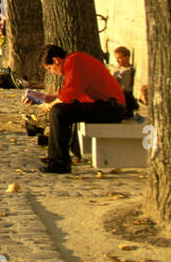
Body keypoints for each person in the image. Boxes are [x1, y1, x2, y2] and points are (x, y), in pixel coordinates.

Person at [35, 45, 126, 173]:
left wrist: (50, 105)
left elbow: (69, 95)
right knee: (60, 110)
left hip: (112, 108)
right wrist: (42, 98)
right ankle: (56, 157)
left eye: (50, 68)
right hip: (107, 106)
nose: (52, 72)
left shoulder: (74, 61)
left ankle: (59, 162)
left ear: (56, 60)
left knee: (58, 112)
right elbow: (65, 93)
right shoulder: (75, 61)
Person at [111, 46, 139, 115]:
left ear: (127, 57)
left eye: (119, 58)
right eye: (116, 58)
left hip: (125, 96)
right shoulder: (117, 68)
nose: (117, 61)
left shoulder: (128, 71)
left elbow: (124, 87)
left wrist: (116, 80)